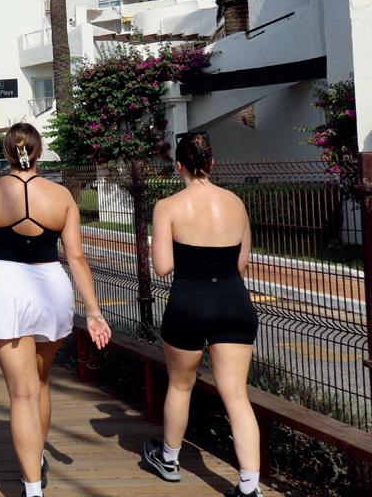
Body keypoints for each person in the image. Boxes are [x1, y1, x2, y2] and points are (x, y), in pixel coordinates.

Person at [0, 123, 111, 497]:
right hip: (50, 286)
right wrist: (94, 312)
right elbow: (77, 258)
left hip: (6, 286)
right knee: (41, 383)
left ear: (7, 152)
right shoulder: (61, 196)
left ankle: (33, 487)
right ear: (38, 152)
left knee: (21, 394)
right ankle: (36, 458)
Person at [142, 132, 262, 497]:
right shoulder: (236, 203)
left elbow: (162, 266)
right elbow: (241, 261)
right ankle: (249, 486)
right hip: (233, 301)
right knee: (237, 395)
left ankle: (169, 458)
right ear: (212, 163)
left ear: (178, 165)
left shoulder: (167, 207)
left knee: (181, 385)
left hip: (189, 302)